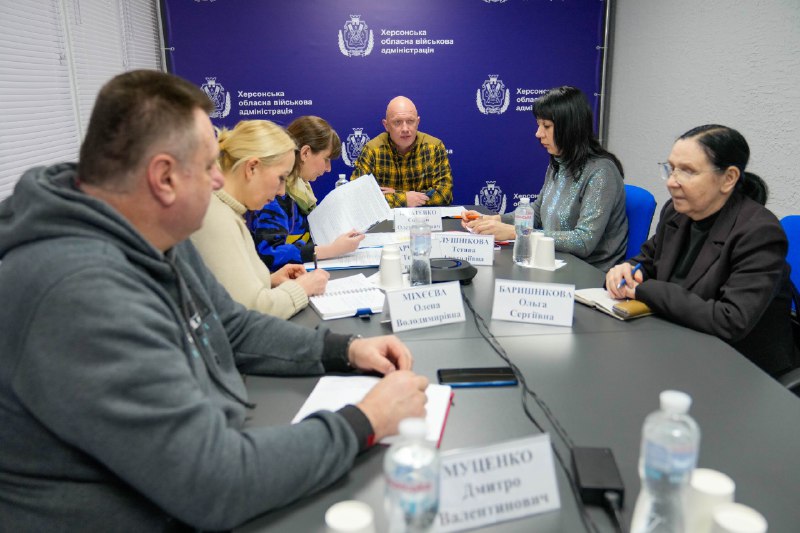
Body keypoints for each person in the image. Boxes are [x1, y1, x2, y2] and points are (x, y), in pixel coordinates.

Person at [0, 70, 429, 531]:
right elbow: (213, 483)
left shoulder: (152, 229)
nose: (219, 180)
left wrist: (344, 350)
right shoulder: (78, 293)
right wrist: (367, 420)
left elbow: (230, 325)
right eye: (208, 166)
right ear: (163, 177)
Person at [606, 124, 794, 377]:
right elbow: (647, 260)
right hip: (675, 342)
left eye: (687, 171)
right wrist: (625, 270)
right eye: (671, 169)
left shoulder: (759, 232)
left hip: (738, 366)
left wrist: (645, 290)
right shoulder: (676, 212)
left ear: (729, 178)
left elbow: (730, 320)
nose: (671, 182)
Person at [463, 86, 627, 272]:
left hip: (589, 273)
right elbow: (536, 214)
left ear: (570, 127)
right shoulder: (559, 163)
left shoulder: (601, 172)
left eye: (546, 126)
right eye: (538, 125)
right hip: (552, 262)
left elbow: (583, 241)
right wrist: (494, 219)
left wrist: (517, 233)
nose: (538, 133)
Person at [190, 119, 330, 319]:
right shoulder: (216, 218)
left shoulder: (225, 210)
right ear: (252, 168)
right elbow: (251, 312)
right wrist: (302, 288)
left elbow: (229, 289)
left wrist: (269, 280)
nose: (282, 191)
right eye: (281, 178)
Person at [248, 116, 365, 272]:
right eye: (326, 159)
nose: (328, 168)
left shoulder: (301, 188)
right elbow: (270, 254)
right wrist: (331, 250)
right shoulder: (273, 196)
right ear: (305, 153)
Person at [351, 95, 453, 208]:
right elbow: (357, 197)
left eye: (410, 121)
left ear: (418, 122)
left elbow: (445, 195)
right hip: (386, 219)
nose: (405, 129)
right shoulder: (372, 150)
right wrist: (406, 199)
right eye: (397, 122)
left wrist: (397, 194)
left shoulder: (434, 147)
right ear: (386, 125)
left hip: (424, 219)